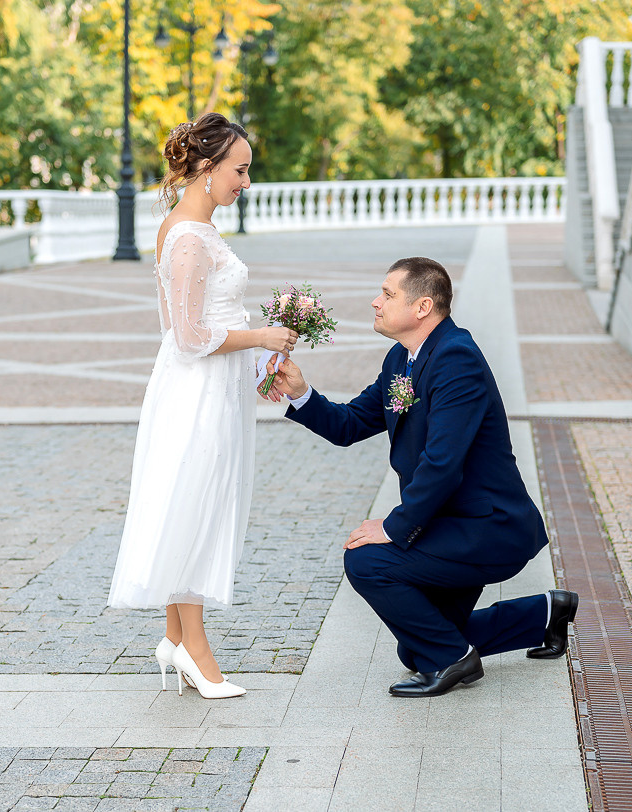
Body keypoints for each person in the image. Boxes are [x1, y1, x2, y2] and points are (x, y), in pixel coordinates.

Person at [265, 257, 579, 697]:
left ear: (422, 307)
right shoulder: (402, 358)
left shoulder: (456, 360)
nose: (376, 302)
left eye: (388, 294)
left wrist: (393, 528)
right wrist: (302, 394)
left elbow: (442, 464)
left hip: (487, 528)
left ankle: (455, 661)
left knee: (366, 560)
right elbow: (351, 424)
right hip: (449, 524)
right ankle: (545, 614)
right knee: (417, 651)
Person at [107, 112, 298, 700]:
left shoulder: (186, 228)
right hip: (196, 391)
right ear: (208, 166)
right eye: (239, 169)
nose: (245, 182)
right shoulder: (188, 236)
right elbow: (188, 336)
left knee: (195, 499)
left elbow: (184, 328)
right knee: (197, 504)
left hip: (206, 384)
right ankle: (195, 648)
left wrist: (250, 355)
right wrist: (263, 338)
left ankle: (172, 636)